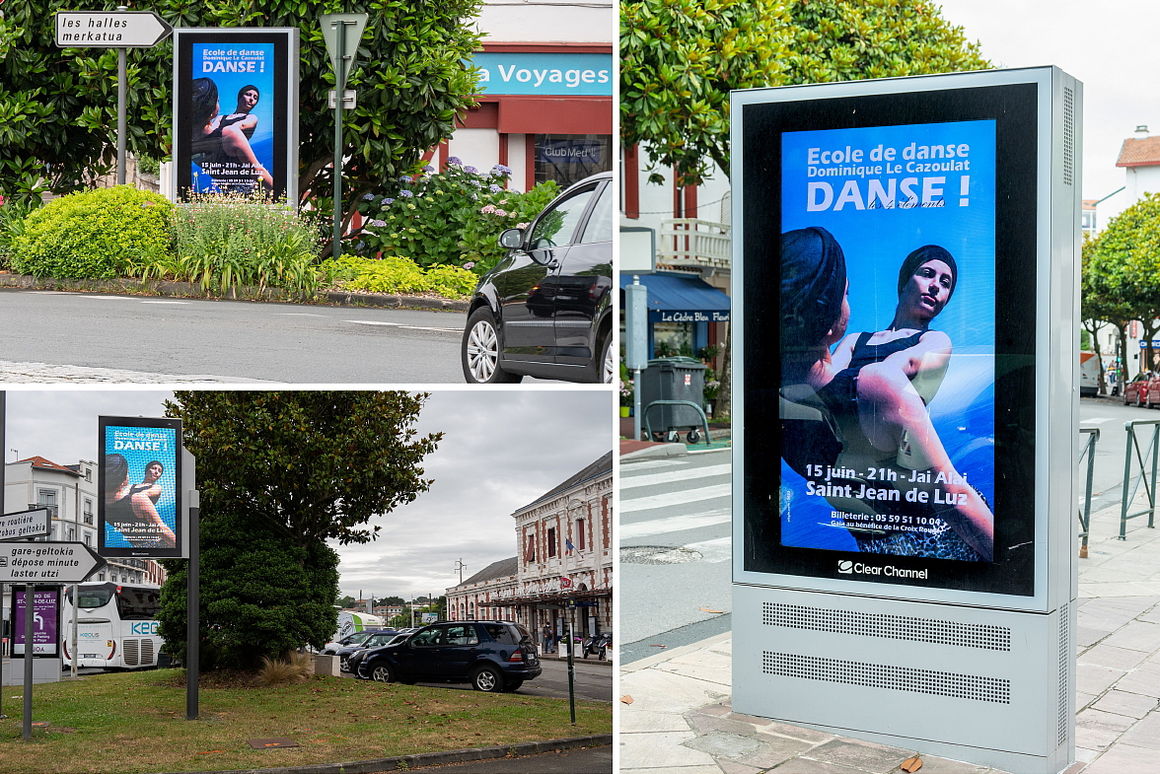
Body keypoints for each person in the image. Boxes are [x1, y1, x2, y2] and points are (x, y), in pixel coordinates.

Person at [780, 232, 994, 561]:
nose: (936, 285)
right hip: (878, 515)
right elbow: (827, 388)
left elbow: (886, 372)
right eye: (927, 273)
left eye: (946, 282)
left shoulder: (936, 341)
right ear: (904, 279)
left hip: (931, 512)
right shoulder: (856, 339)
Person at [189, 77, 273, 191]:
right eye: (248, 94)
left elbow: (240, 126)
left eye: (255, 98)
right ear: (240, 97)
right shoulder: (224, 122)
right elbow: (213, 133)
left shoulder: (250, 118)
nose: (252, 99)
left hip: (237, 183)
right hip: (244, 186)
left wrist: (226, 134)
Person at [104, 453, 175, 548]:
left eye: (159, 471)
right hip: (142, 543)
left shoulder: (154, 488)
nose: (156, 472)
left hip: (156, 541)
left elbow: (145, 494)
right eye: (154, 468)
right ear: (147, 470)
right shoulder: (131, 489)